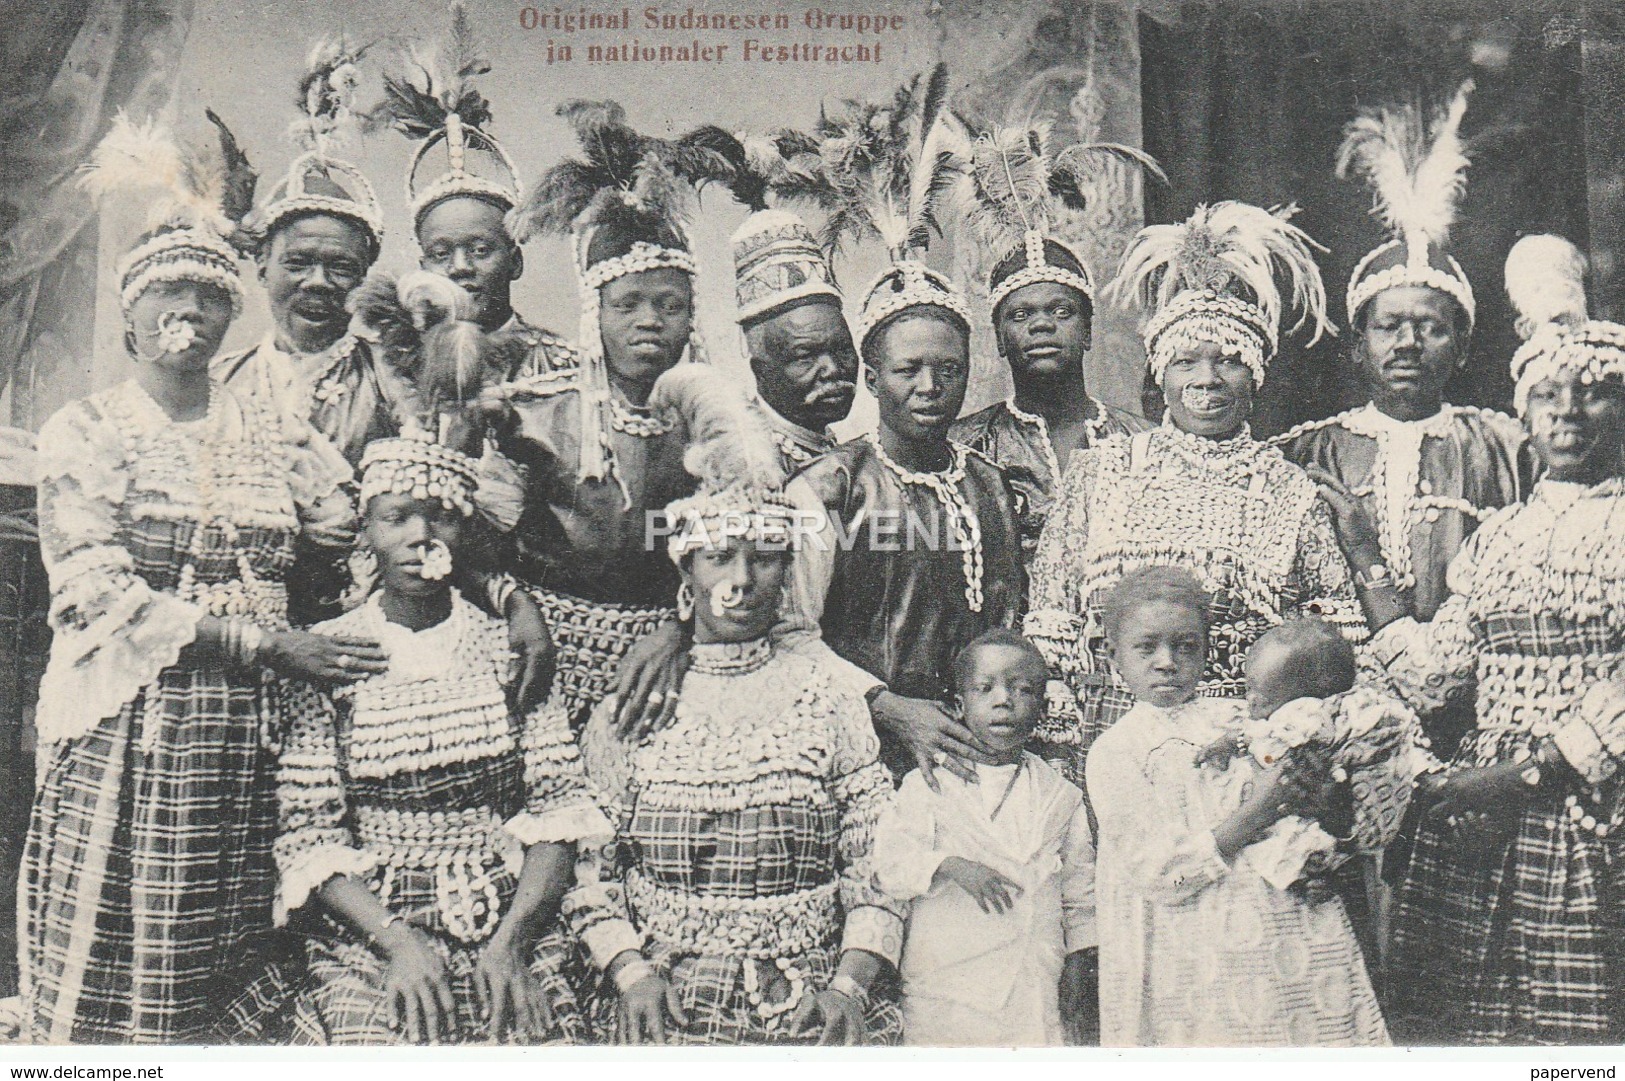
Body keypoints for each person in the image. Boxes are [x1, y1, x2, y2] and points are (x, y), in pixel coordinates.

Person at [21, 116, 386, 1043]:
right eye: (166, 294)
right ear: (132, 313)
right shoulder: (90, 429)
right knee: (120, 930)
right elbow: (95, 590)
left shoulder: (276, 429)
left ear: (235, 308)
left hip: (251, 733)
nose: (187, 313)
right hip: (135, 725)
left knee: (228, 948)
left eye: (207, 295)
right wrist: (265, 642)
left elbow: (342, 532)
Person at [1331, 234, 1625, 1044]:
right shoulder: (1496, 538)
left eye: (1596, 393)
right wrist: (1364, 563)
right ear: (1522, 417)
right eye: (1548, 397)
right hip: (1481, 812)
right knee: (1472, 1022)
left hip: (1592, 803)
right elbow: (1429, 678)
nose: (1569, 412)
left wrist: (1529, 770)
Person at [562, 378, 904, 1045]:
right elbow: (590, 863)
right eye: (719, 558)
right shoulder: (638, 701)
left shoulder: (826, 695)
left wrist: (847, 985)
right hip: (666, 996)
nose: (742, 580)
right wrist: (631, 972)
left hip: (809, 994)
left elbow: (876, 857)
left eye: (765, 558)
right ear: (687, 579)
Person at [272, 433, 610, 1045]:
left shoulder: (509, 646)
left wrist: (510, 944)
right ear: (367, 531)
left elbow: (558, 811)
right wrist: (399, 943)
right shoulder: (332, 653)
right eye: (395, 517)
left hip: (512, 916)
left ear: (466, 534)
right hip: (376, 929)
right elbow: (310, 840)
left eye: (442, 518)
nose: (418, 536)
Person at [1025, 201, 1363, 790]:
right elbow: (1053, 622)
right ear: (1161, 376)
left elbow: (1335, 641)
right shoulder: (1102, 472)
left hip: (1236, 755)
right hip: (1112, 744)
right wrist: (1060, 759)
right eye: (1186, 362)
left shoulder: (1289, 491)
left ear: (1255, 378)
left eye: (1229, 362)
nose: (1207, 380)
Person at [1277, 82, 1526, 749]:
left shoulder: (1507, 447)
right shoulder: (1304, 452)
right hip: (1329, 722)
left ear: (1464, 344)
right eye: (1389, 326)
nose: (1408, 344)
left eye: (1431, 327)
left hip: (1471, 719)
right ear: (1357, 345)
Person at [491, 99, 747, 729]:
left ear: (692, 316)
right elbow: (475, 541)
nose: (650, 321)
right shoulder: (533, 414)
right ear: (594, 315)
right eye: (628, 304)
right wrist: (515, 606)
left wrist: (680, 630)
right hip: (544, 647)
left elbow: (741, 554)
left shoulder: (719, 424)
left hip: (671, 653)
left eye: (669, 304)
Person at [1087, 567, 1391, 1047]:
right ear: (1113, 656)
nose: (1167, 662)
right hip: (1191, 941)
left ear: (1207, 650)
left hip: (1285, 927)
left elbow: (1316, 791)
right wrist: (1257, 812)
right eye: (1147, 647)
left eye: (1185, 646)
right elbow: (1160, 873)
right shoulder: (1117, 751)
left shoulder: (1242, 719)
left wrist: (1318, 832)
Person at [785, 261, 1026, 783]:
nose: (930, 386)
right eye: (907, 369)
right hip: (865, 749)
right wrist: (887, 707)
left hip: (984, 748)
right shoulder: (829, 487)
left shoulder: (990, 484)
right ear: (872, 380)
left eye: (949, 369)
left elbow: (1011, 618)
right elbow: (790, 633)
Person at [873, 629, 1096, 1046]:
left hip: (1031, 990)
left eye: (1023, 689)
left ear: (1043, 708)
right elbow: (889, 865)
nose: (1003, 700)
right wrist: (951, 865)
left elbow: (1081, 895)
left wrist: (1080, 970)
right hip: (946, 986)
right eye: (985, 688)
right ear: (959, 705)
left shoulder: (1060, 796)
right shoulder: (928, 785)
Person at [948, 125, 1154, 562]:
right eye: (1020, 316)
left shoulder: (1141, 441)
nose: (1042, 326)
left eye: (1061, 312)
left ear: (1088, 331)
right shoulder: (965, 446)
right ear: (1001, 339)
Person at [212, 40, 409, 468]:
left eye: (341, 267)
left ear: (364, 278)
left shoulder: (394, 381)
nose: (318, 282)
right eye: (298, 263)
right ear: (263, 265)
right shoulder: (217, 380)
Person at [376, 3, 576, 377]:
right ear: (422, 268)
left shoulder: (564, 366)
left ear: (515, 262)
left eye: (481, 250)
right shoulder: (396, 370)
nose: (460, 268)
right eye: (440, 254)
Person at [1197, 619, 1419, 894]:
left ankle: (1303, 874)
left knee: (1280, 836)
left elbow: (1274, 743)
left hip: (1350, 812)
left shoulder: (1310, 715)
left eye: (1263, 696)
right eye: (1248, 688)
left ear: (1315, 693)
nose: (1250, 701)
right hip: (1373, 818)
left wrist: (1233, 740)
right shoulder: (1358, 704)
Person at [731, 208, 858, 471]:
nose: (833, 369)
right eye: (805, 356)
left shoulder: (825, 445)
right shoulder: (746, 463)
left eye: (843, 349)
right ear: (761, 369)